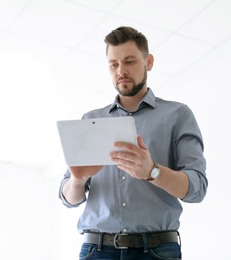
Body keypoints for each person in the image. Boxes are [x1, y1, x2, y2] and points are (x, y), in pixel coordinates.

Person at [58, 26, 208, 260]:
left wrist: (152, 171)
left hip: (157, 251)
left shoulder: (178, 115)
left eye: (129, 61)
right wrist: (78, 180)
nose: (121, 71)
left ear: (148, 62)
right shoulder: (90, 120)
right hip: (96, 251)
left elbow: (197, 188)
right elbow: (69, 198)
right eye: (114, 64)